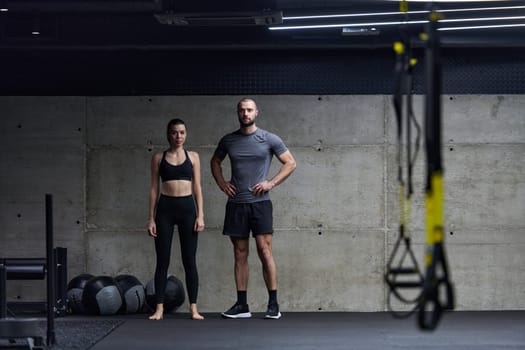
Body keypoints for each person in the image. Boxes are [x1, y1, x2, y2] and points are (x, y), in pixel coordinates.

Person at [211, 98, 296, 319]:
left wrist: (271, 183)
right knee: (239, 253)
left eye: (249, 110)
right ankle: (242, 305)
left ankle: (273, 305)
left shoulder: (269, 138)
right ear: (238, 113)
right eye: (242, 110)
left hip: (260, 204)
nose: (245, 113)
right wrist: (222, 183)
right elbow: (215, 161)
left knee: (264, 250)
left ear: (256, 112)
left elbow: (290, 163)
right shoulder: (229, 140)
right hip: (236, 204)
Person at [147, 118, 205, 321]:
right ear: (168, 134)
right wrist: (151, 218)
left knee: (190, 260)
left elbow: (197, 187)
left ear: (186, 134)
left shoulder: (194, 157)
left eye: (181, 132)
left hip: (188, 210)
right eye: (174, 132)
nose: (178, 136)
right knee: (162, 260)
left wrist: (200, 215)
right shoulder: (158, 158)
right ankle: (159, 308)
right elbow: (154, 189)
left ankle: (194, 308)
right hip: (165, 210)